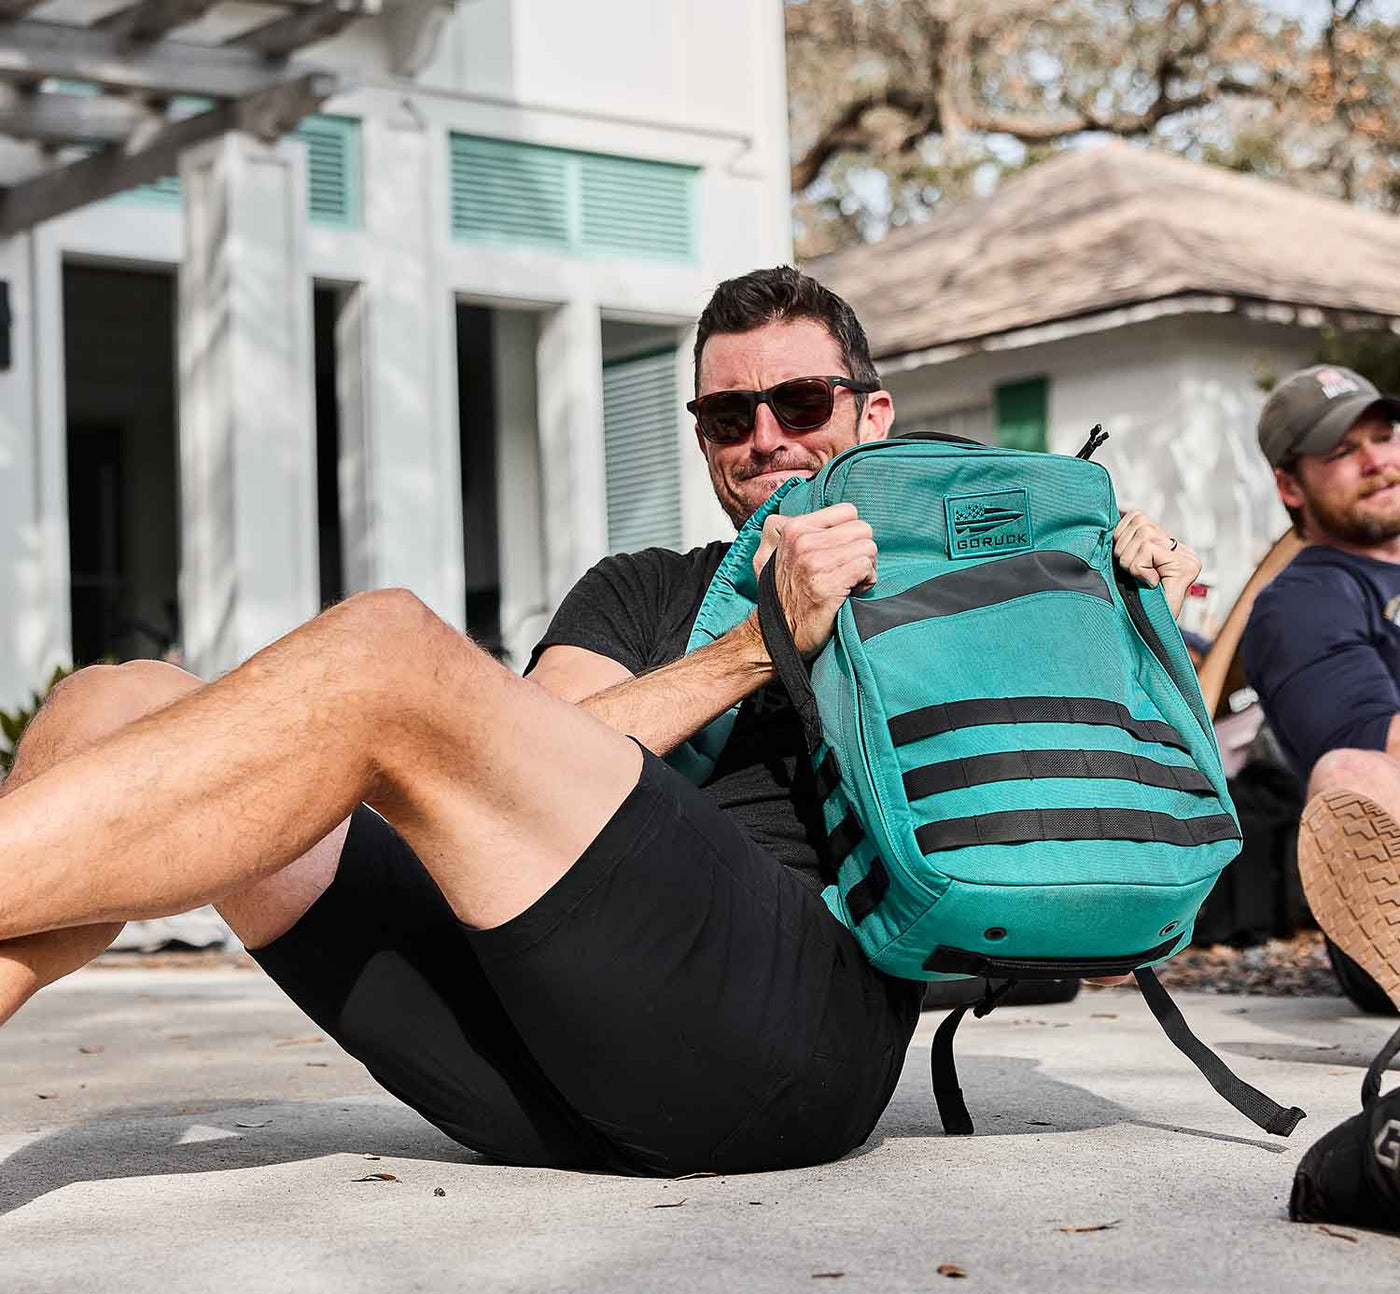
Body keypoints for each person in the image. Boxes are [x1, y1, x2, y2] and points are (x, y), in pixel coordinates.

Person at [0, 267, 1199, 1175]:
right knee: (112, 698)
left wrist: (1115, 596)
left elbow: (1065, 786)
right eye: (729, 416)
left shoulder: (942, 596)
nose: (766, 436)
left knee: (385, 649)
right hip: (531, 1041)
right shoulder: (638, 588)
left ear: (872, 414)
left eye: (798, 400)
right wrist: (752, 645)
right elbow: (533, 754)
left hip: (781, 1043)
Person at [1243, 364, 1400, 1014]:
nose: (1376, 462)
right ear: (1290, 484)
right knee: (1349, 775)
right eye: (1341, 451)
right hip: (1385, 913)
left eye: (1385, 436)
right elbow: (1374, 748)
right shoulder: (1302, 602)